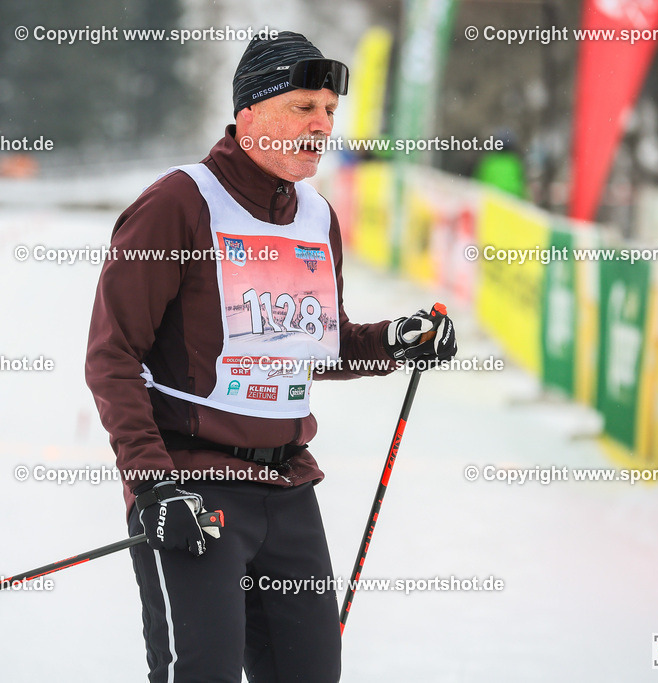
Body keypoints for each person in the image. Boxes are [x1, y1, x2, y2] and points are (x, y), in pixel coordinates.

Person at [85, 30, 457, 683]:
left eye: (330, 112)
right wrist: (154, 483)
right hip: (195, 487)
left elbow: (320, 343)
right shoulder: (180, 204)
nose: (321, 126)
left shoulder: (315, 214)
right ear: (249, 114)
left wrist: (396, 340)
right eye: (303, 108)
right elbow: (112, 355)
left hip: (287, 487)